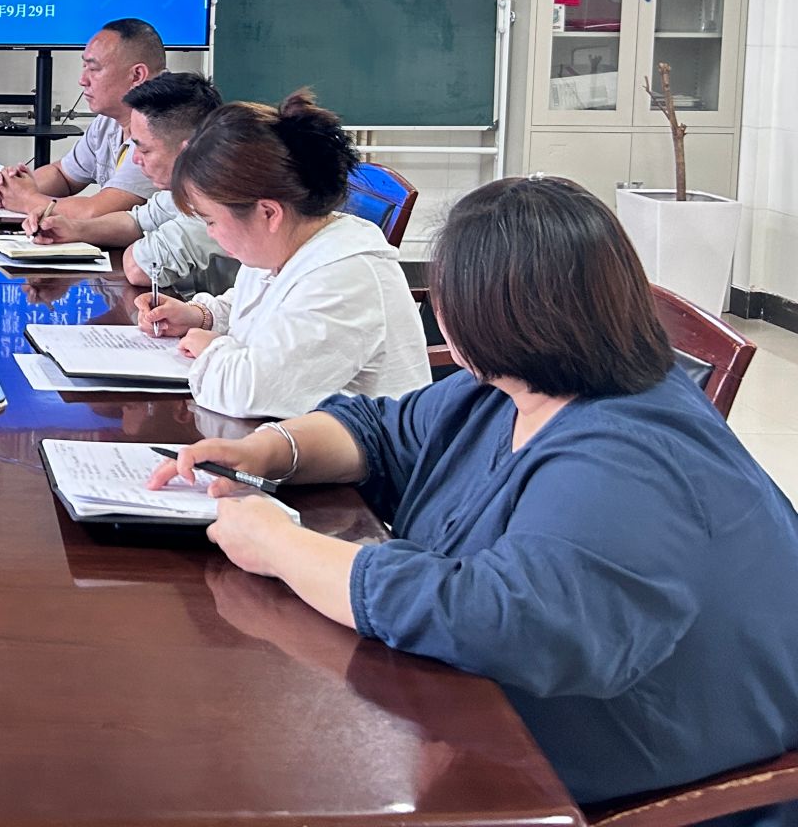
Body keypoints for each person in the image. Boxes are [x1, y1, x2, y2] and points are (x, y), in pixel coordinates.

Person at [150, 176, 798, 811]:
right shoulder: (511, 388)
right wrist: (270, 450)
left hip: (625, 765)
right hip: (495, 709)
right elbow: (384, 432)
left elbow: (497, 618)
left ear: (491, 318)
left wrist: (281, 546)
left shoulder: (626, 456)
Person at [133, 91, 429, 419]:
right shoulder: (287, 241)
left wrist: (211, 348)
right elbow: (251, 305)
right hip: (301, 433)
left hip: (363, 450)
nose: (211, 233)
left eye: (211, 220)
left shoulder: (344, 278)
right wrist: (199, 316)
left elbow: (249, 392)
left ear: (268, 213)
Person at [28, 71, 238, 295]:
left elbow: (139, 267)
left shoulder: (220, 200)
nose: (135, 159)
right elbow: (136, 221)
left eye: (144, 150)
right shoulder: (185, 189)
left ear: (187, 151)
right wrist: (73, 229)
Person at [0, 18, 162, 219]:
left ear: (137, 75)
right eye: (84, 67)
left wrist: (27, 199)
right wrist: (15, 186)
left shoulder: (164, 122)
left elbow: (97, 212)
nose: (82, 80)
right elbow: (63, 175)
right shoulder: (110, 120)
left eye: (93, 69)